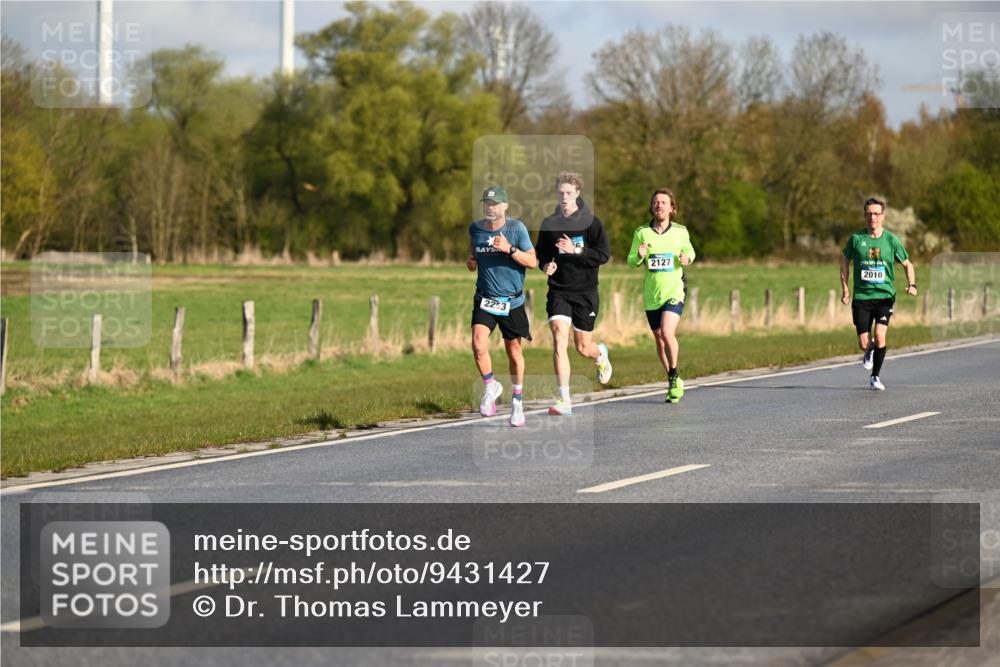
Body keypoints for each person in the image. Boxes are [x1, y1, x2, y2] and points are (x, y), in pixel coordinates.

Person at [535, 172, 612, 416]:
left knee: (583, 347)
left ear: (578, 193)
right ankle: (564, 399)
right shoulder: (549, 224)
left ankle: (600, 354)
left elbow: (603, 255)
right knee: (559, 337)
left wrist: (576, 250)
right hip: (559, 290)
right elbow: (541, 254)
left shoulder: (592, 223)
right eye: (561, 193)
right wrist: (545, 265)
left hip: (585, 293)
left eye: (569, 192)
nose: (564, 197)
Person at [468, 185, 538, 426]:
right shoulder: (475, 229)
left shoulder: (516, 229)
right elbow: (473, 255)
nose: (490, 208)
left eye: (495, 204)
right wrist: (471, 262)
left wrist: (510, 249)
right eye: (487, 204)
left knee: (514, 352)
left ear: (505, 206)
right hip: (484, 298)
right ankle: (491, 385)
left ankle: (517, 402)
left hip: (511, 301)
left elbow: (533, 261)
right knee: (478, 343)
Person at [840, 196, 917, 390]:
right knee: (864, 343)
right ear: (864, 216)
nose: (872, 217)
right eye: (869, 214)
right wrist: (845, 289)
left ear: (883, 216)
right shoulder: (856, 239)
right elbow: (845, 261)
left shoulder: (891, 240)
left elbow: (907, 264)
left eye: (876, 214)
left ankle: (875, 377)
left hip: (884, 296)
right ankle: (869, 349)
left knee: (880, 335)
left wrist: (912, 284)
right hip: (862, 297)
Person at [627, 188, 695, 403]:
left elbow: (690, 252)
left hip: (674, 291)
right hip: (652, 294)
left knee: (667, 332)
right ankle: (672, 379)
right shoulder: (641, 233)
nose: (659, 205)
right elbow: (631, 261)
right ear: (652, 207)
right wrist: (639, 255)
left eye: (663, 202)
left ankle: (674, 375)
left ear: (672, 208)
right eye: (656, 202)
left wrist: (687, 258)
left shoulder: (680, 231)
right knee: (659, 338)